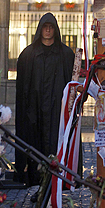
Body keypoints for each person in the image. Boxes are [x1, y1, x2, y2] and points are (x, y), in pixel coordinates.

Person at [15, 13, 75, 186]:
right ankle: (35, 177)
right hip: (35, 110)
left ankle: (59, 179)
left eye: (50, 27)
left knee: (57, 141)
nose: (48, 31)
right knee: (36, 141)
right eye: (45, 27)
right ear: (40, 29)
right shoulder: (28, 55)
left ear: (55, 30)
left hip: (57, 109)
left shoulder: (66, 54)